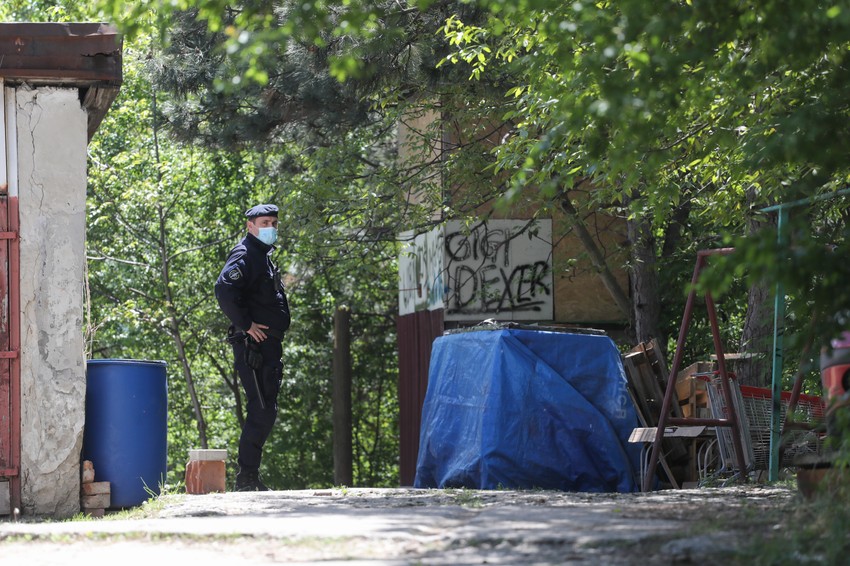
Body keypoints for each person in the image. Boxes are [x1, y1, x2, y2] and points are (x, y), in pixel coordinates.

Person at [215, 204, 291, 491]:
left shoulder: (263, 257)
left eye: (273, 222)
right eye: (264, 222)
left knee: (266, 407)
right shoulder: (246, 254)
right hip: (254, 346)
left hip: (268, 346)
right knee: (261, 407)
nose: (270, 227)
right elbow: (224, 289)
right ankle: (245, 477)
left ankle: (250, 475)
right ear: (250, 226)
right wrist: (246, 324)